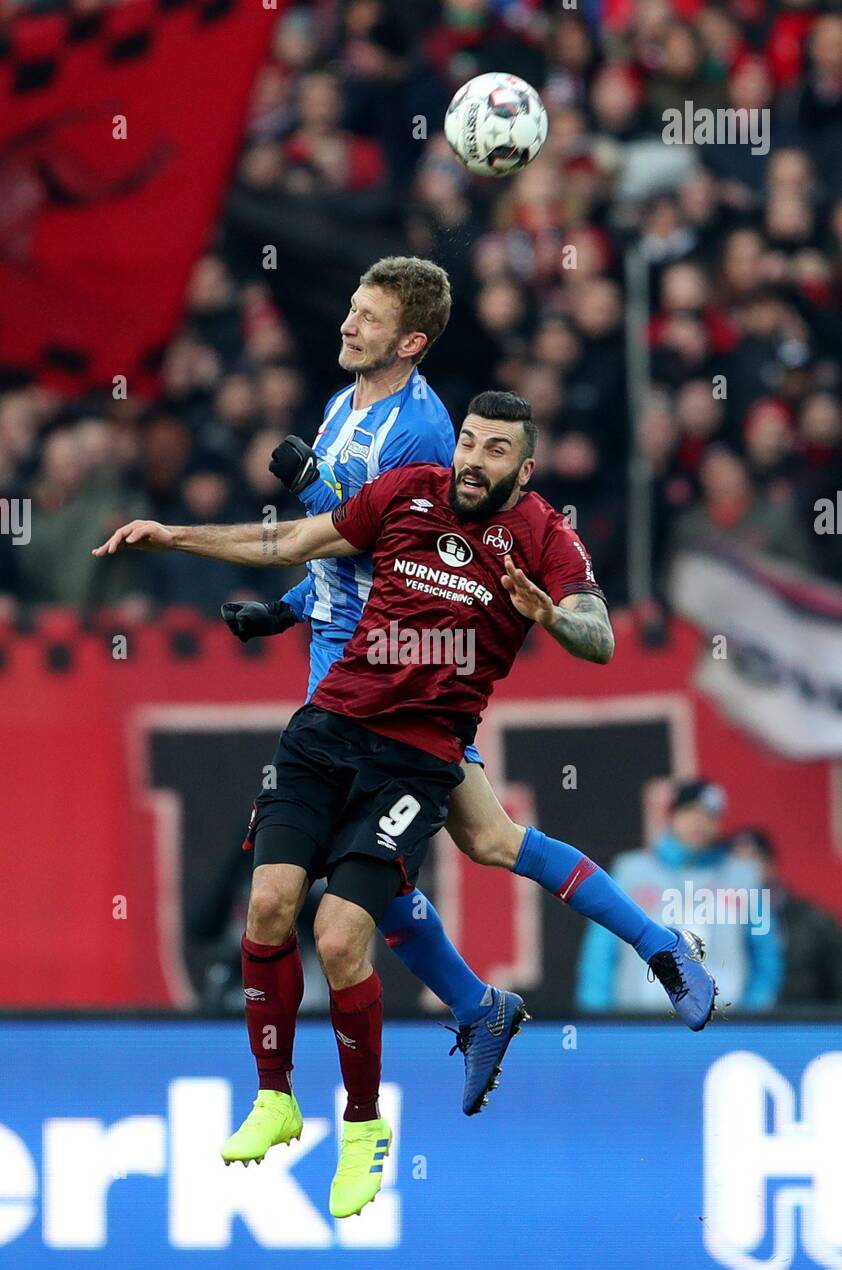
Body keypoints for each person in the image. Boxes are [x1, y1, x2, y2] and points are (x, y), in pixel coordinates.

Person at [94, 392, 718, 1218]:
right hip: (328, 723)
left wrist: (553, 619)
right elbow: (298, 544)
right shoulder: (407, 487)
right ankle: (323, 1076)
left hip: (421, 753)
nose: (473, 459)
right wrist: (177, 536)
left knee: (376, 909)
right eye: (469, 441)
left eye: (496, 450)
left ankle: (627, 960)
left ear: (524, 471)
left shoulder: (541, 536)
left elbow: (597, 637)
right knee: (286, 899)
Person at [219, 257, 716, 1131]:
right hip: (351, 663)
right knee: (476, 842)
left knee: (415, 859)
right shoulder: (349, 404)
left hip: (398, 676)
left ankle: (565, 978)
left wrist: (306, 520)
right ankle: (539, 987)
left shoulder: (423, 436)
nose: (346, 323)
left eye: (364, 314)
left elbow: (392, 553)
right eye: (349, 304)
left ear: (408, 340)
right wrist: (287, 606)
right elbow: (360, 539)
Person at [576, 780, 780, 1015]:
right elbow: (601, 949)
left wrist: (753, 1017)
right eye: (691, 812)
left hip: (723, 1026)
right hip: (637, 1023)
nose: (699, 823)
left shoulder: (745, 878)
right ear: (672, 815)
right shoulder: (631, 872)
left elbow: (766, 955)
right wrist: (596, 1019)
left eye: (709, 815)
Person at [730, 828, 842, 1006]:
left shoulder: (815, 921)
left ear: (771, 865)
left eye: (753, 861)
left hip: (806, 1026)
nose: (745, 874)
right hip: (740, 1025)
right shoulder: (722, 921)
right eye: (737, 865)